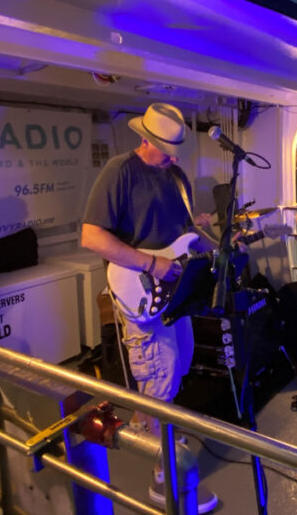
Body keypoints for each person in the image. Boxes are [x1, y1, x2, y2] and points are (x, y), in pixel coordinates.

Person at [81, 102, 218, 513]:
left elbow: (180, 234)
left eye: (176, 147)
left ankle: (158, 439)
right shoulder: (120, 172)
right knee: (157, 377)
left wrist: (204, 230)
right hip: (140, 290)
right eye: (164, 147)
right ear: (144, 139)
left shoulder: (175, 176)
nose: (173, 156)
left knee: (175, 369)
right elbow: (91, 237)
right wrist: (150, 263)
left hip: (173, 294)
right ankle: (165, 482)